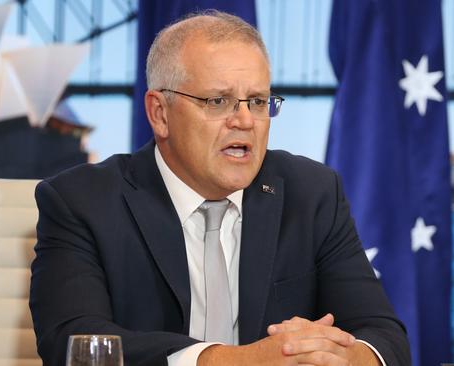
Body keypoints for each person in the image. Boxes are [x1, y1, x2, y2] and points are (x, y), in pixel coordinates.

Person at [29, 10, 410, 366]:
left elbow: (384, 337)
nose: (245, 120)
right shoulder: (82, 201)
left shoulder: (312, 193)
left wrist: (333, 357)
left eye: (258, 101)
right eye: (218, 101)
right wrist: (238, 361)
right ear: (160, 114)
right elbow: (73, 340)